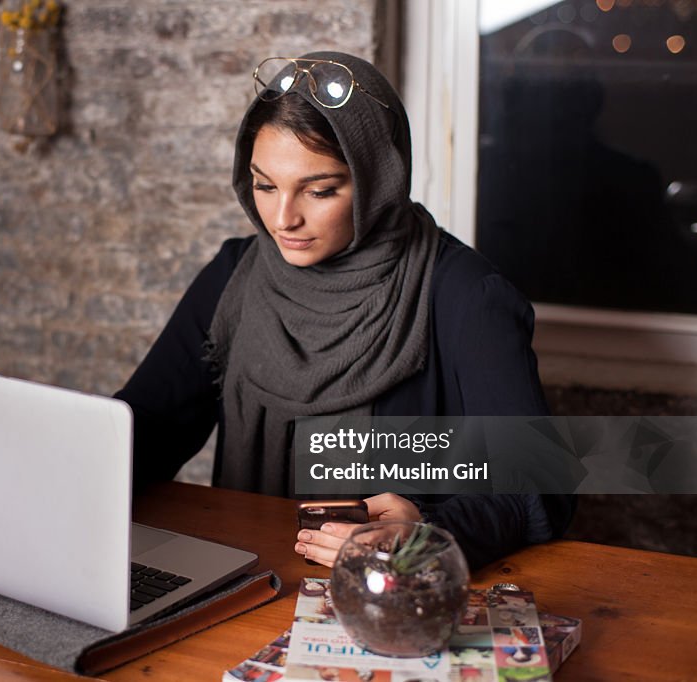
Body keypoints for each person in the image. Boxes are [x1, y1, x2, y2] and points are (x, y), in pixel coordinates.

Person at [114, 51, 575, 569]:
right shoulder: (234, 275)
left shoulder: (465, 295)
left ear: (378, 178)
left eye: (320, 190)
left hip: (391, 596)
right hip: (249, 575)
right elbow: (148, 428)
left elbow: (541, 489)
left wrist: (424, 530)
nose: (283, 218)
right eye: (265, 185)